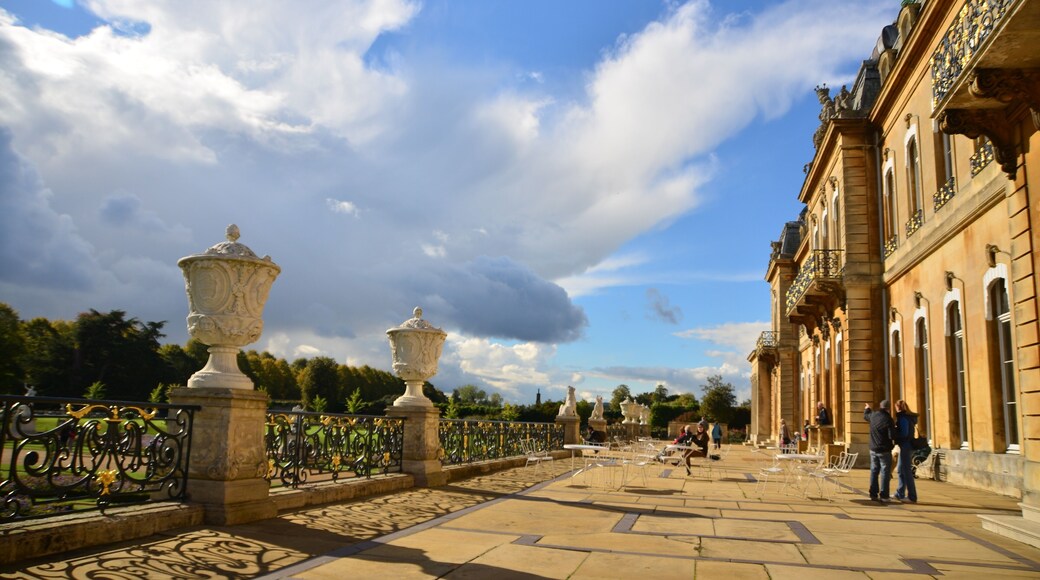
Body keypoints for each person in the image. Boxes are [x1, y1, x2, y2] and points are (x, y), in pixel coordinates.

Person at [864, 399, 896, 502]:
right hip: (884, 450)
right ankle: (884, 495)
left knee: (874, 471)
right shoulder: (888, 419)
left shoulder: (873, 415)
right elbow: (892, 436)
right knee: (885, 473)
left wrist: (867, 409)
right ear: (888, 408)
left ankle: (873, 494)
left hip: (873, 448)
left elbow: (866, 416)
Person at [893, 399, 918, 503]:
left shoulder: (903, 418)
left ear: (898, 407)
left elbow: (904, 433)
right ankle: (900, 493)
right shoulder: (907, 417)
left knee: (906, 471)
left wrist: (894, 434)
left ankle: (912, 496)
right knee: (900, 470)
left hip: (906, 446)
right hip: (906, 446)